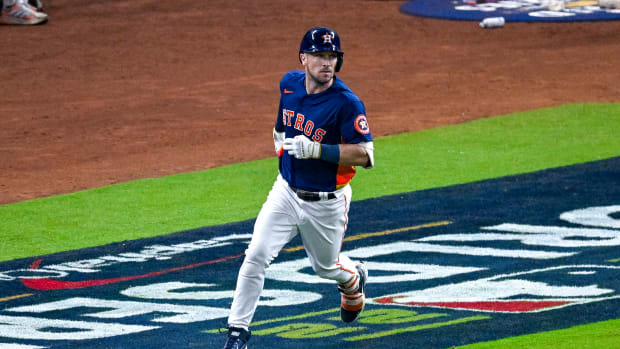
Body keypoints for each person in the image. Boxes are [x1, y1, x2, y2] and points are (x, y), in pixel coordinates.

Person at [223, 26, 375, 349]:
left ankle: (352, 278)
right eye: (320, 55)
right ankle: (238, 334)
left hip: (326, 203)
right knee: (256, 254)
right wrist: (280, 141)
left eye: (332, 56)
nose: (326, 62)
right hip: (286, 192)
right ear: (303, 58)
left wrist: (318, 150)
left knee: (325, 267)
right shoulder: (289, 84)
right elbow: (282, 125)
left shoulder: (347, 103)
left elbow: (366, 155)